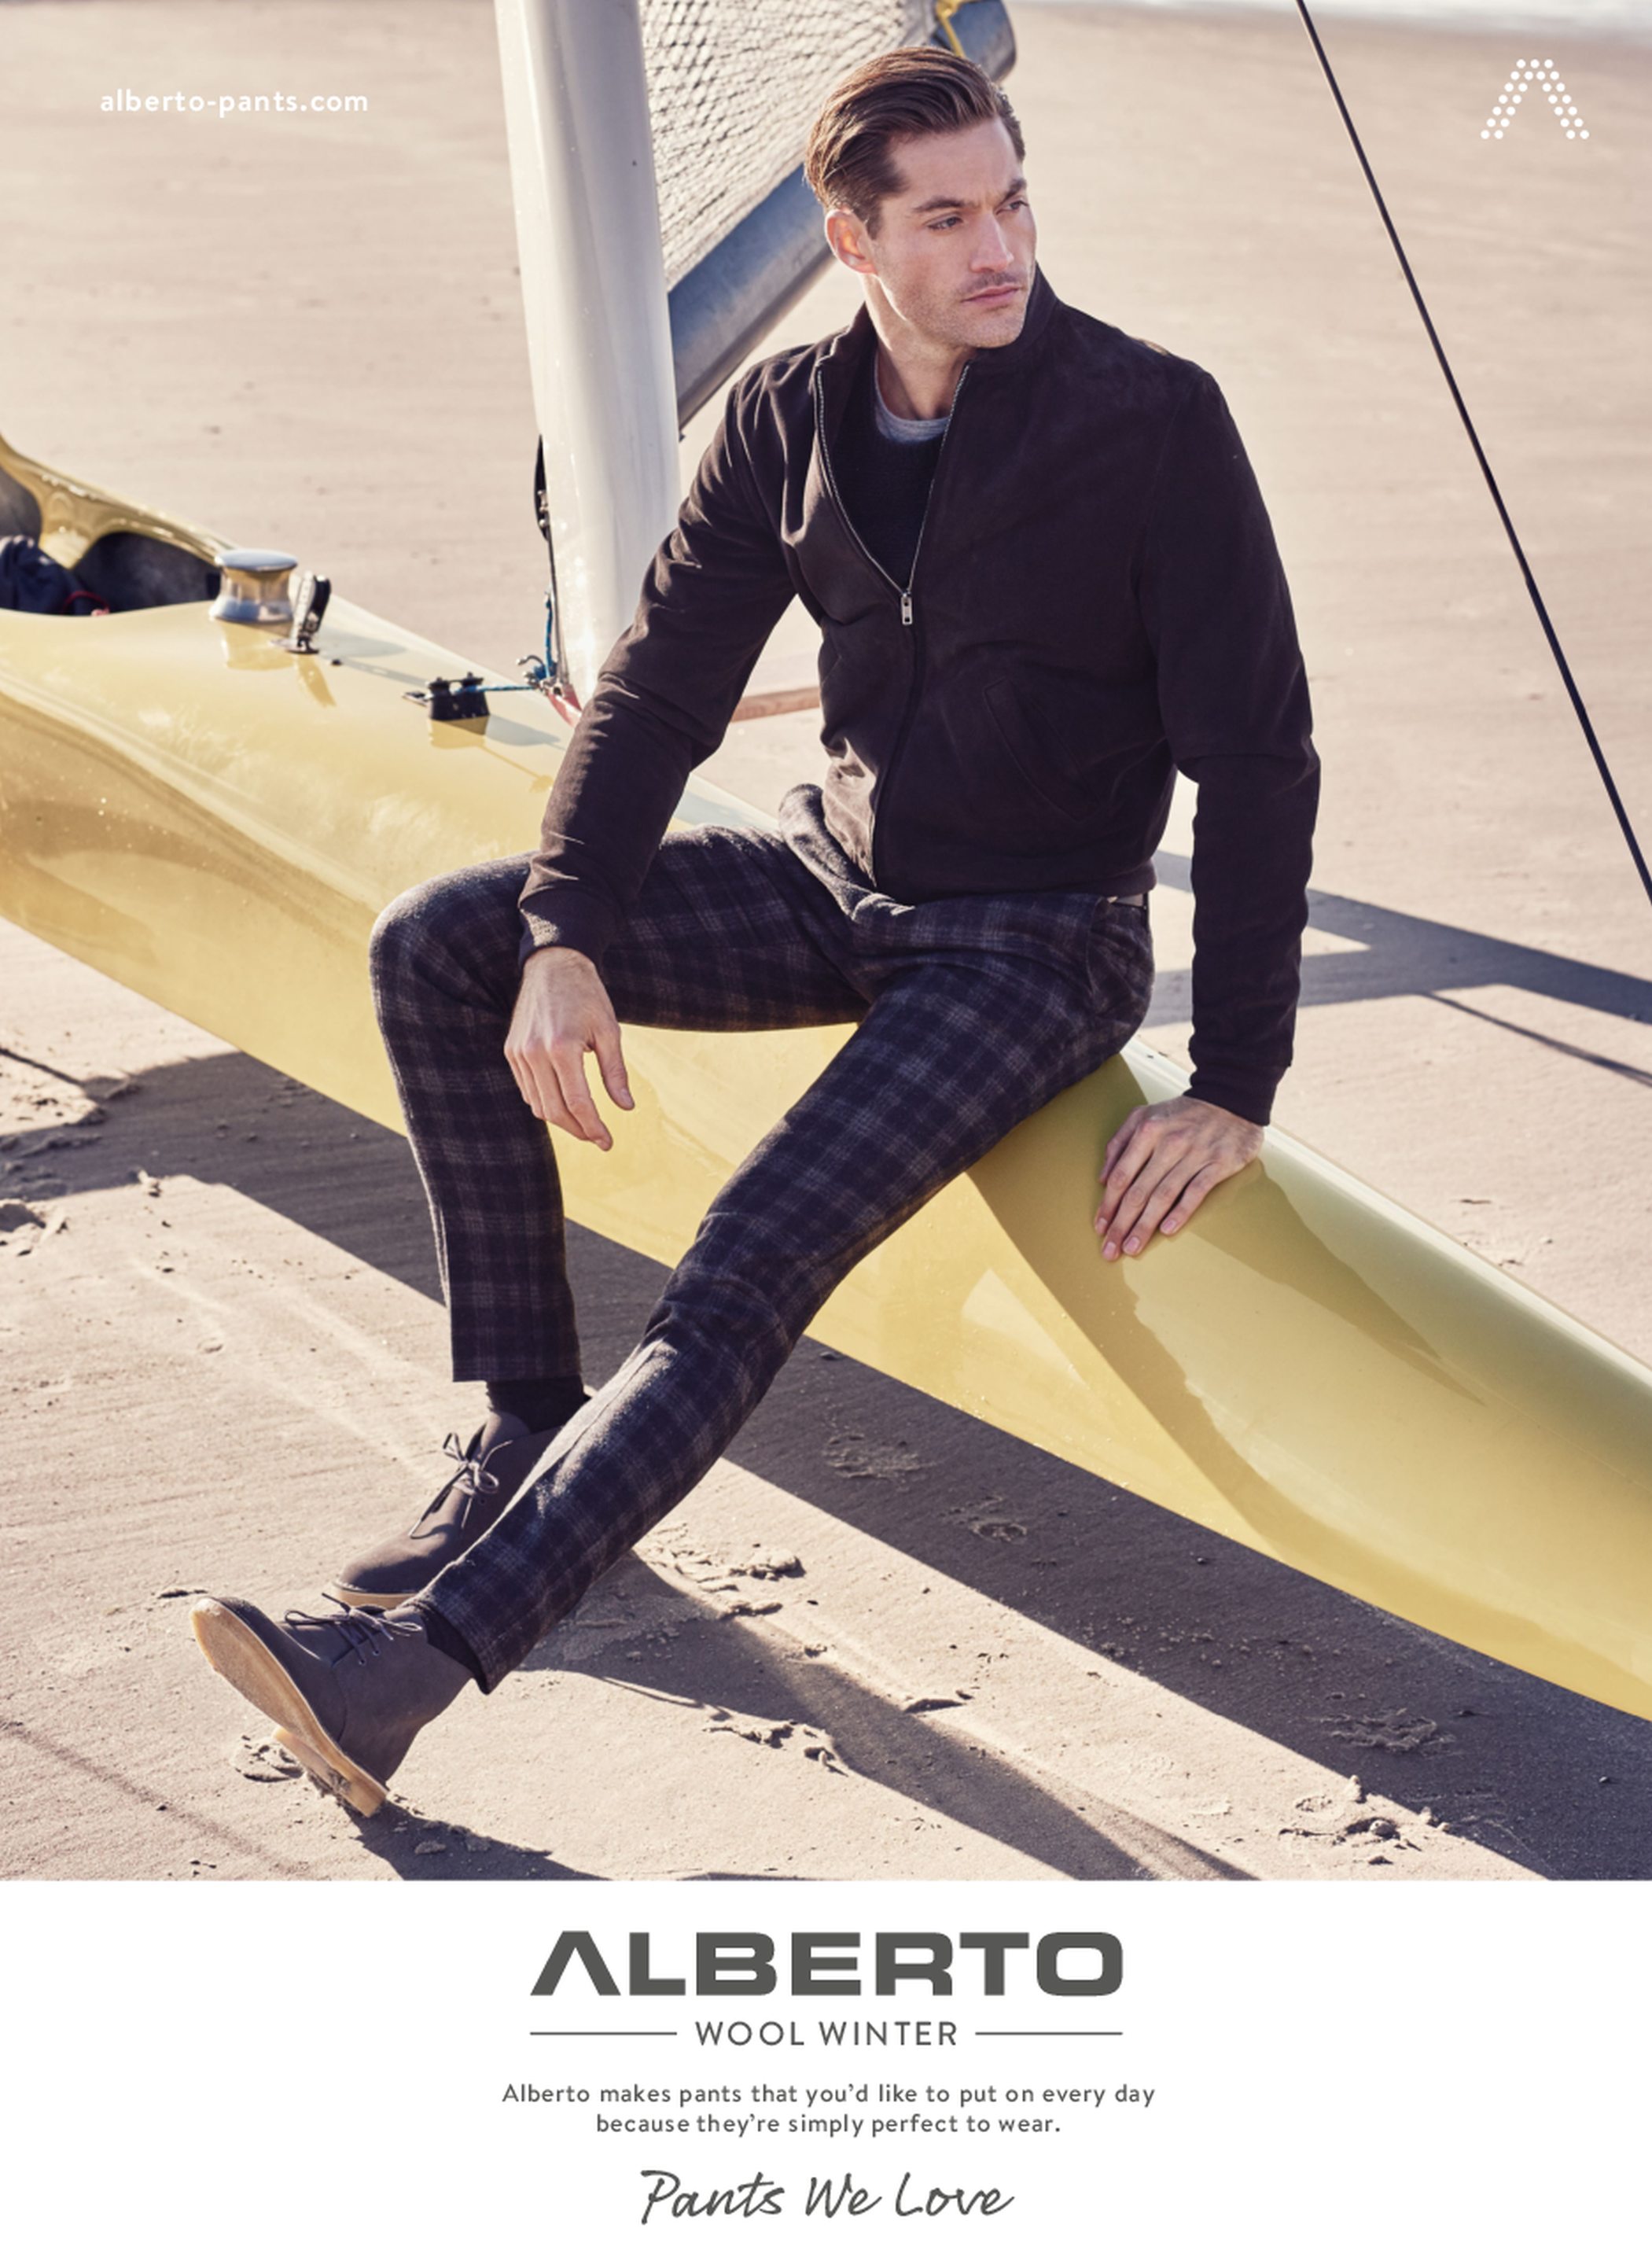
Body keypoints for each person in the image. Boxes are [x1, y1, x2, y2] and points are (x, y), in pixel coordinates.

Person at [191, 45, 1319, 1817]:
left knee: (740, 1261)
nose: (997, 248)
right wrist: (565, 930)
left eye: (1011, 202)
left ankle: (405, 1674)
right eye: (943, 218)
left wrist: (1236, 1077)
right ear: (851, 240)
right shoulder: (791, 414)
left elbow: (1258, 762)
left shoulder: (1152, 422)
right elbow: (656, 695)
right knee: (441, 945)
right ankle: (520, 1432)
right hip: (833, 878)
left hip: (1032, 943)